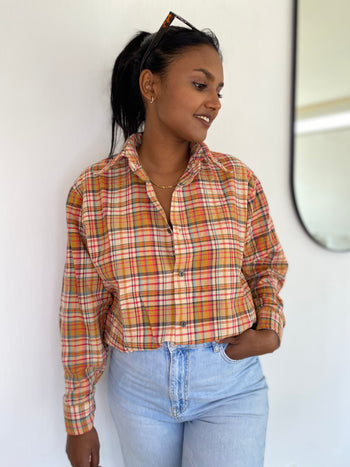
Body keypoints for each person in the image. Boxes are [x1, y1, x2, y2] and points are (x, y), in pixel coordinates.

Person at [60, 12, 288, 467]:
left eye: (219, 91)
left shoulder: (237, 180)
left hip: (229, 385)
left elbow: (266, 264)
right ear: (151, 86)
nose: (215, 103)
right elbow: (82, 308)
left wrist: (270, 328)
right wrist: (77, 419)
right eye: (201, 85)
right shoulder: (94, 190)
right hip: (138, 389)